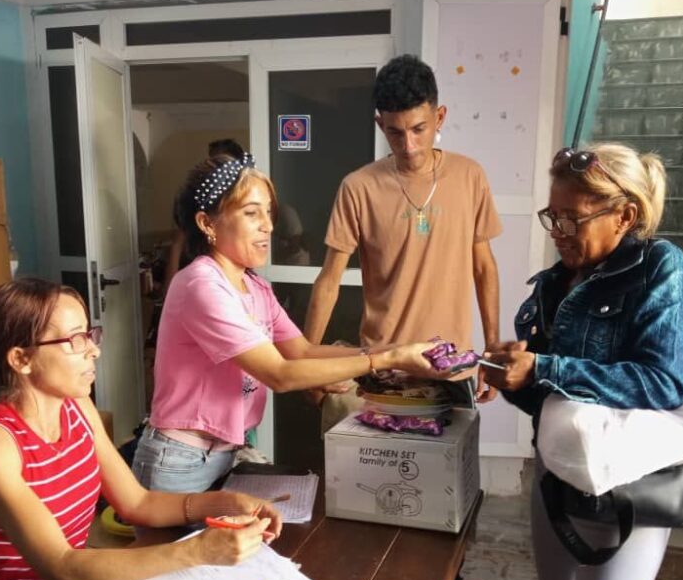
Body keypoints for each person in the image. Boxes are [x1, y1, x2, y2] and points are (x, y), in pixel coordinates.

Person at [0, 278, 284, 580]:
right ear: (21, 359)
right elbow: (63, 569)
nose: (95, 350)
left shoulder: (77, 407)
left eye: (89, 334)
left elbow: (138, 503)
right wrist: (197, 551)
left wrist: (226, 500)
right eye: (75, 340)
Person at [482, 143, 683, 580]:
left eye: (571, 218)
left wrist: (546, 366)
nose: (558, 232)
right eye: (553, 217)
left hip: (627, 502)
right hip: (557, 491)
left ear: (624, 215)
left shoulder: (659, 268)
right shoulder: (552, 285)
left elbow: (660, 384)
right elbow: (546, 401)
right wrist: (511, 376)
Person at [132, 152, 450, 495]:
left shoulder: (255, 286)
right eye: (251, 213)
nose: (268, 225)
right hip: (179, 461)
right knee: (184, 549)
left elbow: (302, 351)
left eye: (268, 212)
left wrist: (394, 350)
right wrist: (384, 361)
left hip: (224, 455)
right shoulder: (202, 285)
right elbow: (280, 374)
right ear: (207, 224)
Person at [304, 53, 503, 417]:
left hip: (451, 366)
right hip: (382, 368)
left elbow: (484, 268)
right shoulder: (358, 187)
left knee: (447, 471)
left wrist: (491, 350)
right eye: (395, 132)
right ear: (380, 124)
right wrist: (305, 363)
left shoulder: (470, 176)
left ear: (439, 117)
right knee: (376, 473)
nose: (408, 145)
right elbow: (329, 281)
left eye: (418, 129)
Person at [163, 138, 248, 291]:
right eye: (211, 162)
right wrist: (171, 289)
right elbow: (177, 243)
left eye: (221, 165)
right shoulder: (193, 202)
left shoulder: (244, 203)